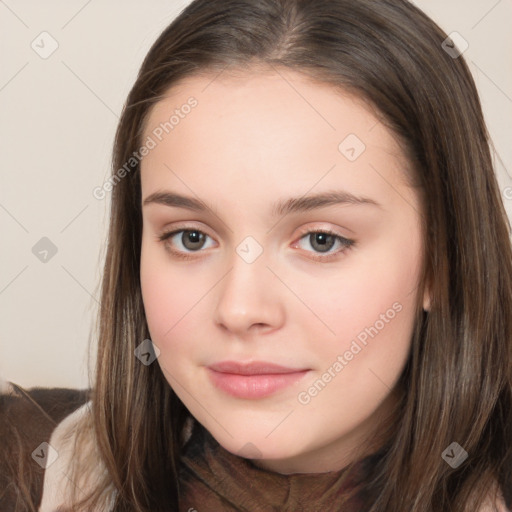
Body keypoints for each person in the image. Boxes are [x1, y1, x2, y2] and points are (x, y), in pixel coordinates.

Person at [39, 0, 512, 510]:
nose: (240, 310)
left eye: (321, 240)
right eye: (191, 237)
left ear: (442, 260)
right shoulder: (29, 461)